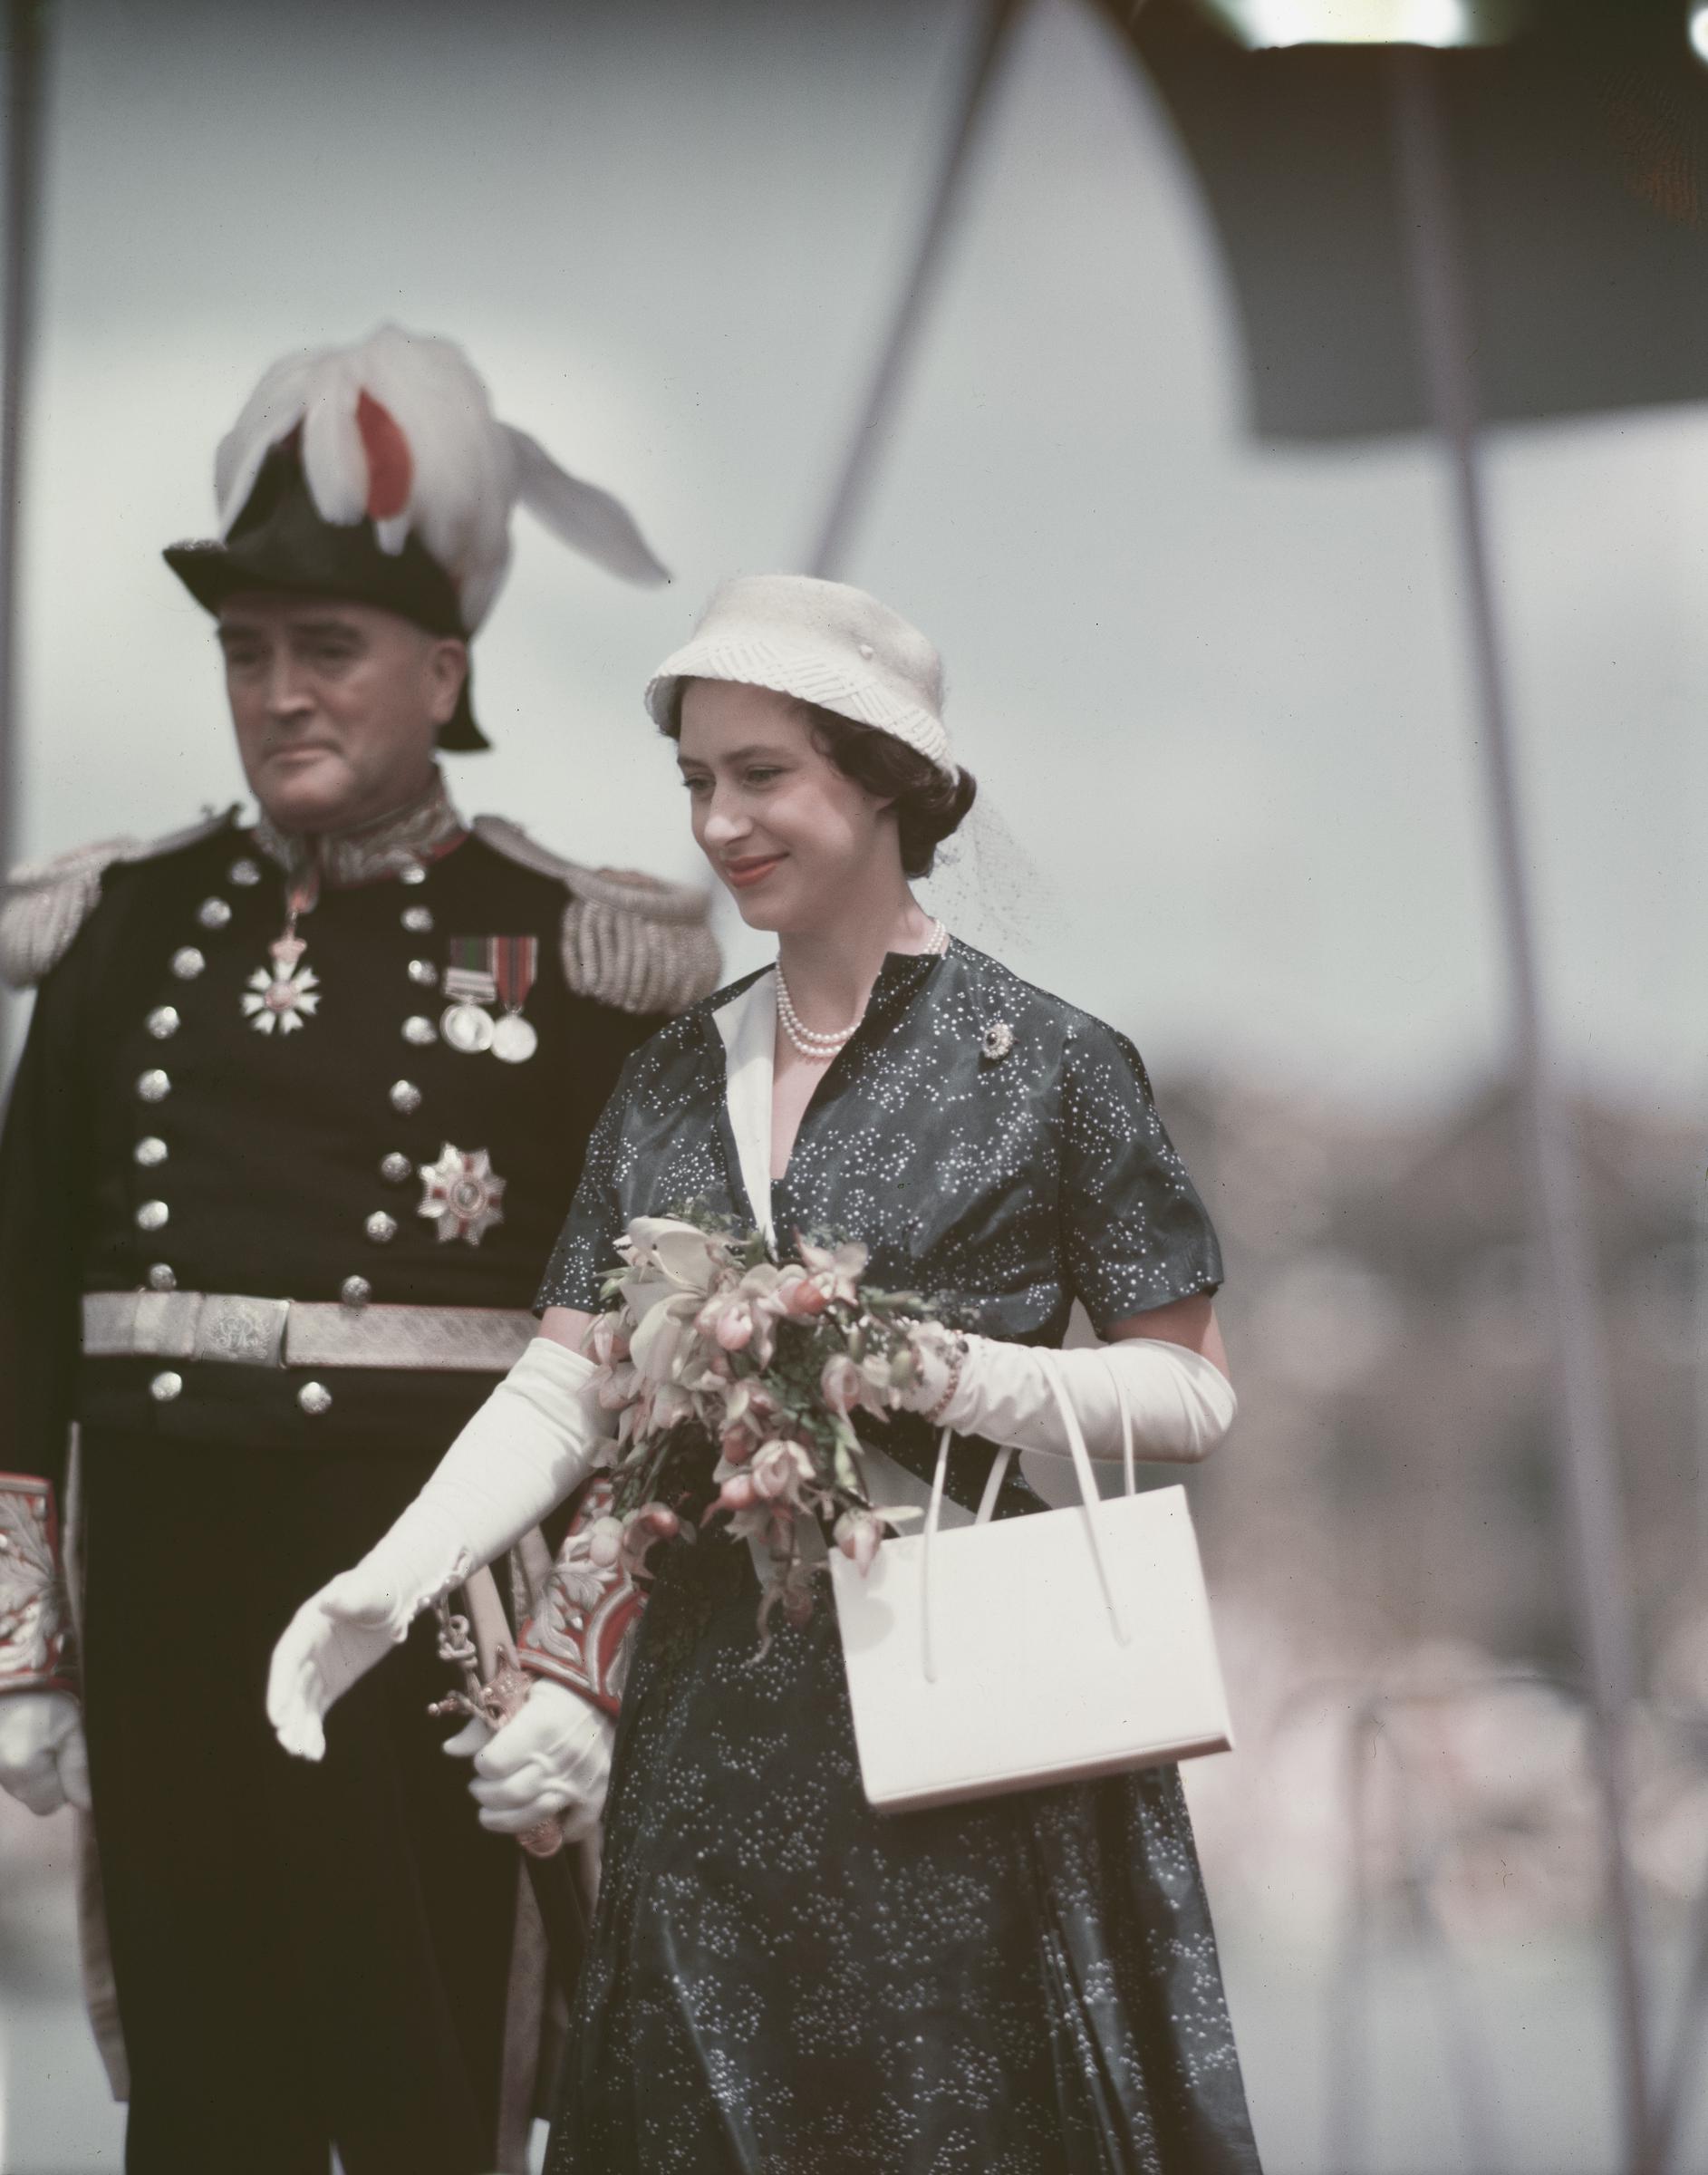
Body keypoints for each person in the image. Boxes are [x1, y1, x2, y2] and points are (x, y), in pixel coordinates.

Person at [271, 574, 1261, 2173]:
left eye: (759, 775)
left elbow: (1192, 1394)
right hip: (706, 1739)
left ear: (884, 781)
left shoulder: (1058, 1068)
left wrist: (950, 1373)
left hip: (966, 1735)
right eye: (694, 782)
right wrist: (392, 1574)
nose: (717, 821)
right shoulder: (666, 1077)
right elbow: (561, 1383)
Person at [0, 324, 718, 2175]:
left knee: (422, 2098)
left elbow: (659, 1349)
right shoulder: (121, 932)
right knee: (203, 2108)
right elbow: (12, 1301)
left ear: (445, 669)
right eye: (247, 652)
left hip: (432, 1603)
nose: (279, 693)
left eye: (327, 650)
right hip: (164, 1591)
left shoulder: (577, 957)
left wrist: (579, 1659)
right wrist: (24, 1636)